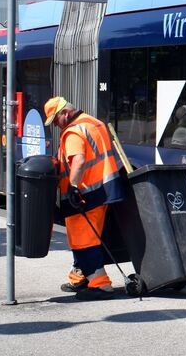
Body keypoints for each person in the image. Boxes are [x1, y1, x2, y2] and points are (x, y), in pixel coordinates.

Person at [45, 96, 126, 298]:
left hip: (85, 193)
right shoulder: (93, 122)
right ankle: (79, 276)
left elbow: (79, 162)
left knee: (83, 239)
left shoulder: (73, 132)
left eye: (55, 120)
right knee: (86, 236)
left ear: (65, 113)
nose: (55, 125)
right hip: (102, 189)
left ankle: (100, 284)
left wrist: (72, 187)